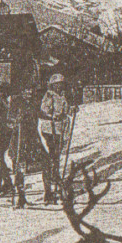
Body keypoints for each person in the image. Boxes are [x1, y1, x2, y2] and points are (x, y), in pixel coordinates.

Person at [37, 73, 71, 203]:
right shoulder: (49, 95)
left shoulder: (62, 96)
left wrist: (71, 110)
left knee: (57, 155)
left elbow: (65, 110)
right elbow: (44, 109)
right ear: (53, 85)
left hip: (60, 129)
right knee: (52, 155)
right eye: (57, 84)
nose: (59, 86)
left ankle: (55, 177)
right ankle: (51, 180)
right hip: (50, 129)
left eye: (61, 84)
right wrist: (51, 114)